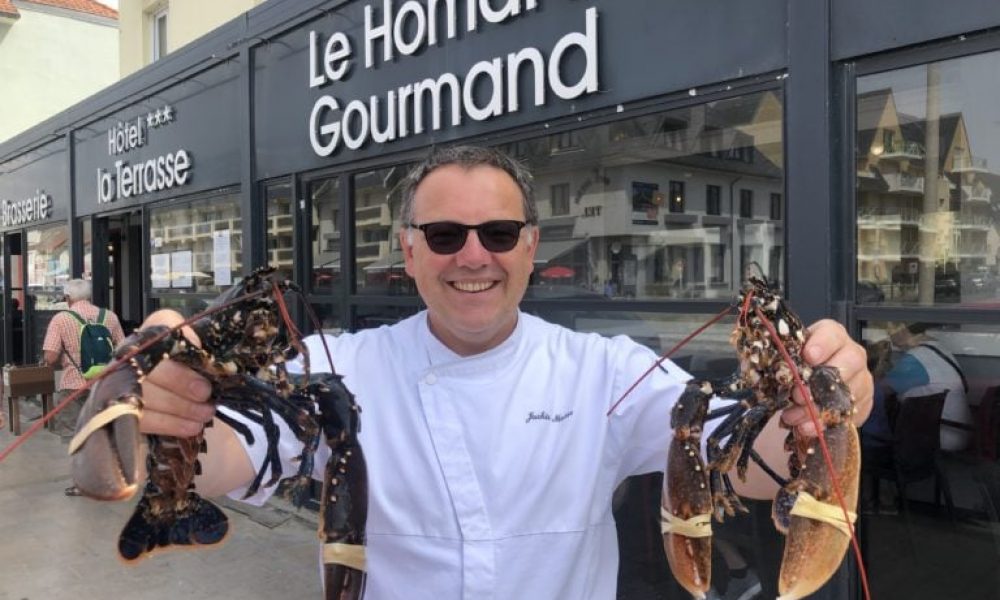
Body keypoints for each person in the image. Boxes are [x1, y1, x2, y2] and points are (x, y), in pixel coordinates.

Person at [134, 146, 873, 598]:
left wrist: (818, 413)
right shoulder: (337, 365)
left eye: (498, 233)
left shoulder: (603, 369)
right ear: (410, 250)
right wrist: (171, 412)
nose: (474, 256)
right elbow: (226, 459)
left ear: (530, 247)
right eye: (446, 235)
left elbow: (741, 458)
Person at [42, 280, 125, 467]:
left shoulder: (61, 319)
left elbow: (51, 357)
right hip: (105, 384)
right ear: (89, 296)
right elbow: (123, 350)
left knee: (76, 435)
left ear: (68, 298)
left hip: (73, 386)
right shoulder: (109, 317)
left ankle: (83, 481)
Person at [864, 322, 971, 452]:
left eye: (889, 331)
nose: (889, 337)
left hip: (939, 436)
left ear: (902, 329)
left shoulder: (916, 359)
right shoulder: (937, 349)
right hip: (955, 430)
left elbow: (878, 390)